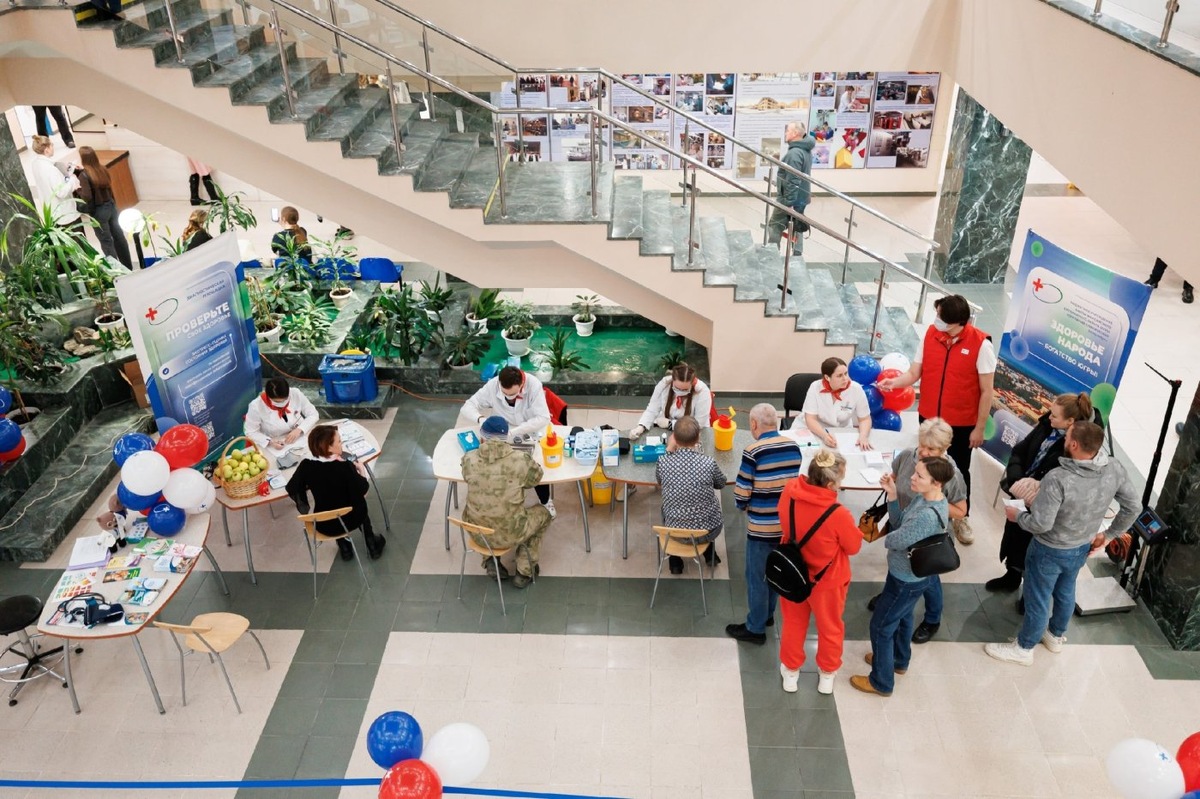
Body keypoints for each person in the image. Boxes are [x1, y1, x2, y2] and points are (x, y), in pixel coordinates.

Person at [985, 421, 1139, 665]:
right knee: (1066, 592)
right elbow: (1134, 507)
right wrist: (1109, 535)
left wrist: (1018, 516)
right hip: (1081, 547)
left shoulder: (1058, 478)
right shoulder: (1114, 468)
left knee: (1037, 599)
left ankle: (1024, 648)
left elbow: (1041, 524)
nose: (1063, 440)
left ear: (1074, 445)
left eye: (1066, 437)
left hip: (1048, 550)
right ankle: (1055, 636)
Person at [878, 294, 995, 545]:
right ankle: (915, 508)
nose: (936, 320)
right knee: (924, 464)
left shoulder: (981, 345)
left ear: (956, 322)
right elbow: (914, 372)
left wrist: (980, 427)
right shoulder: (931, 335)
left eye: (940, 316)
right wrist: (894, 383)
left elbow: (987, 391)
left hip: (961, 422)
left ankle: (961, 517)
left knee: (958, 469)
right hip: (929, 416)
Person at [850, 456, 955, 696]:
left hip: (906, 580)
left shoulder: (927, 515)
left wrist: (887, 536)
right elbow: (898, 523)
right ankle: (898, 660)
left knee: (881, 626)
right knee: (904, 617)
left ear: (937, 483)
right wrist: (893, 495)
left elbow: (895, 540)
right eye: (915, 472)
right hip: (907, 574)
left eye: (919, 476)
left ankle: (881, 682)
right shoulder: (925, 498)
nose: (912, 478)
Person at [866, 418, 969, 645]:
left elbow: (961, 510)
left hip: (927, 538)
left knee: (927, 577)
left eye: (931, 449)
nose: (923, 452)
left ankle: (932, 619)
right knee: (899, 566)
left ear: (945, 449)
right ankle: (893, 597)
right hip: (901, 521)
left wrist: (933, 502)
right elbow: (895, 477)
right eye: (922, 444)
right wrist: (890, 484)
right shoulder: (906, 456)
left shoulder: (950, 474)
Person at [987, 392, 1102, 593]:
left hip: (1044, 505)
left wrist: (1032, 490)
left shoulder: (1076, 447)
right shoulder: (1047, 425)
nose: (1049, 417)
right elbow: (1020, 450)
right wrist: (1017, 480)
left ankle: (1030, 595)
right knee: (1014, 537)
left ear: (1070, 422)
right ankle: (1011, 575)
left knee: (1033, 550)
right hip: (1020, 492)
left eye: (1055, 416)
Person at [777, 449, 861, 694]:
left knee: (793, 624)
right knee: (830, 628)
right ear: (831, 484)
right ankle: (826, 674)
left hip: (792, 573)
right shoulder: (838, 514)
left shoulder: (790, 491)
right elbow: (853, 547)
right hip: (827, 582)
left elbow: (784, 520)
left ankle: (791, 672)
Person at [727, 403, 803, 643]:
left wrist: (742, 506)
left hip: (761, 527)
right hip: (786, 527)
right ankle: (768, 615)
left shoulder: (753, 451)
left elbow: (742, 492)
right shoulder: (793, 447)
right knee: (775, 571)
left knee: (756, 578)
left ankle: (755, 628)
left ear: (753, 424)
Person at [461, 416, 552, 588]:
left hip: (478, 533)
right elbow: (536, 479)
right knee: (544, 514)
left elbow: (467, 476)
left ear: (482, 437)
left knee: (479, 511)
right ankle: (524, 571)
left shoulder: (468, 459)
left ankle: (490, 560)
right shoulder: (520, 460)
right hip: (512, 532)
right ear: (506, 438)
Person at [461, 366, 556, 516]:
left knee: (535, 465)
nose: (508, 397)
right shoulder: (493, 385)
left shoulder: (534, 385)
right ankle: (503, 497)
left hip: (530, 430)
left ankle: (546, 501)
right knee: (500, 466)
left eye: (512, 394)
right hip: (502, 432)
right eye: (504, 393)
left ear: (522, 384)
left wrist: (514, 432)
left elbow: (543, 418)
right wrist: (481, 419)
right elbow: (467, 406)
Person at [287, 424, 385, 561]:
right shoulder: (345, 467)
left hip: (325, 524)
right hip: (352, 519)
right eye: (339, 441)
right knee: (359, 503)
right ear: (328, 447)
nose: (341, 443)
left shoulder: (306, 466)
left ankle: (345, 548)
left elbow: (292, 488)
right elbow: (363, 490)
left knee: (331, 504)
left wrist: (311, 485)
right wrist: (361, 470)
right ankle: (372, 544)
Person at [656, 417, 725, 575]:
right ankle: (710, 553)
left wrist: (669, 450)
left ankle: (675, 562)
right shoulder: (708, 462)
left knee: (665, 508)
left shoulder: (663, 461)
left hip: (675, 534)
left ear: (674, 437)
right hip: (709, 531)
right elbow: (721, 483)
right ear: (698, 438)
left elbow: (659, 481)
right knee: (705, 506)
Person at [74, 146, 133, 268]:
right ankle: (128, 266)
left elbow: (87, 196)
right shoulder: (102, 169)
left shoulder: (84, 175)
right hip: (111, 207)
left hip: (98, 212)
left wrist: (78, 190)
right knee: (119, 238)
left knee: (106, 242)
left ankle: (117, 270)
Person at [802, 357, 873, 450]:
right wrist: (824, 436)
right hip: (817, 429)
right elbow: (810, 419)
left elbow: (864, 419)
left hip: (843, 430)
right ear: (827, 377)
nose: (845, 379)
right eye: (839, 376)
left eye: (846, 374)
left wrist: (863, 436)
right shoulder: (815, 387)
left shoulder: (856, 389)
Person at [629, 363, 713, 439]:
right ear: (672, 380)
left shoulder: (702, 391)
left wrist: (671, 424)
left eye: (684, 390)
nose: (680, 391)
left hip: (692, 433)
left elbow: (699, 424)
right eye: (677, 388)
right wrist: (641, 427)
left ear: (692, 383)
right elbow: (652, 409)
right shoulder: (664, 385)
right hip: (665, 429)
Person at [767, 122, 814, 251]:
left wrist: (789, 204)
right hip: (802, 196)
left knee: (774, 225)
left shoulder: (794, 154)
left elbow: (793, 180)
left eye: (787, 130)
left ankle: (772, 254)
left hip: (790, 199)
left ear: (795, 133)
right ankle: (797, 253)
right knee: (796, 224)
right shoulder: (805, 150)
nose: (785, 133)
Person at [244, 377, 319, 453]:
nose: (281, 404)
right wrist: (270, 442)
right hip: (277, 442)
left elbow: (313, 414)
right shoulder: (256, 406)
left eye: (285, 400)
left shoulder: (295, 394)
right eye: (277, 402)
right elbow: (251, 432)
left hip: (300, 437)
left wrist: (300, 429)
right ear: (268, 397)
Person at [29, 135, 80, 228]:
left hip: (52, 213)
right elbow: (61, 192)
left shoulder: (35, 164)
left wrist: (66, 171)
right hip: (65, 215)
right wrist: (72, 180)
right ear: (47, 150)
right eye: (52, 145)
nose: (53, 147)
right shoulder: (51, 169)